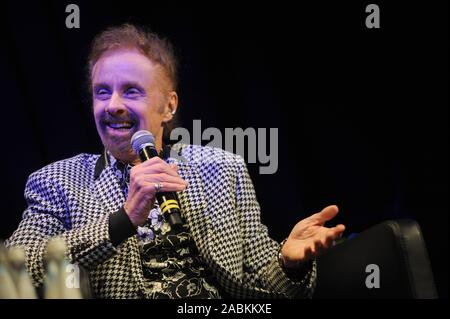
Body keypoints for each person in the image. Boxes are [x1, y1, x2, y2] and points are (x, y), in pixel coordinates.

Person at [6, 24, 345, 299]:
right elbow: (15, 272)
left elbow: (267, 288)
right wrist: (122, 221)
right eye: (102, 92)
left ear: (168, 107)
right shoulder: (58, 181)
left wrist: (289, 264)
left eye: (131, 91)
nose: (113, 105)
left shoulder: (221, 168)